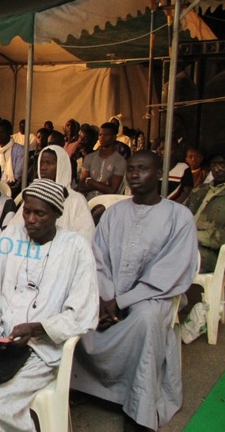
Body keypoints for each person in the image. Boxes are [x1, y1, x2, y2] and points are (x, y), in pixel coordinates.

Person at [72, 151, 198, 431]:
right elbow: (98, 258)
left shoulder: (179, 217)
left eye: (142, 169)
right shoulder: (115, 212)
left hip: (151, 296)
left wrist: (122, 301)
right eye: (130, 169)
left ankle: (139, 406)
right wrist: (106, 297)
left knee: (146, 319)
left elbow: (169, 271)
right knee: (75, 309)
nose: (134, 175)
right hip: (109, 293)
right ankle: (84, 386)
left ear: (158, 174)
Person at [0, 178, 99, 431]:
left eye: (40, 213)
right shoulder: (11, 236)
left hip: (40, 349)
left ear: (57, 214)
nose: (30, 219)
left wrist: (37, 328)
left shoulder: (75, 247)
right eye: (26, 211)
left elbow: (83, 313)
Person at [10, 146, 94, 242]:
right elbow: (15, 228)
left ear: (61, 166)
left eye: (49, 163)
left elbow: (85, 236)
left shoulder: (76, 199)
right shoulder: (33, 195)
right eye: (41, 163)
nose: (43, 167)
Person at [184, 144, 225, 273]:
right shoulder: (200, 191)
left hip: (215, 254)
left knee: (173, 259)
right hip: (185, 244)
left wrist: (194, 236)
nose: (216, 168)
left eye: (223, 164)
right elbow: (181, 216)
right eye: (214, 164)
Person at [78, 122, 127, 200]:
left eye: (106, 135)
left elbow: (112, 190)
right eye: (100, 135)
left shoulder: (120, 161)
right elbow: (81, 186)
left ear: (114, 137)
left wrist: (91, 182)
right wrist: (104, 184)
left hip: (108, 204)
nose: (102, 138)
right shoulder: (89, 158)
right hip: (89, 202)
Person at [0, 119, 25, 196]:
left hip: (11, 189)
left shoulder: (19, 150)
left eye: (2, 133)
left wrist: (3, 188)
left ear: (10, 132)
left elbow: (16, 176)